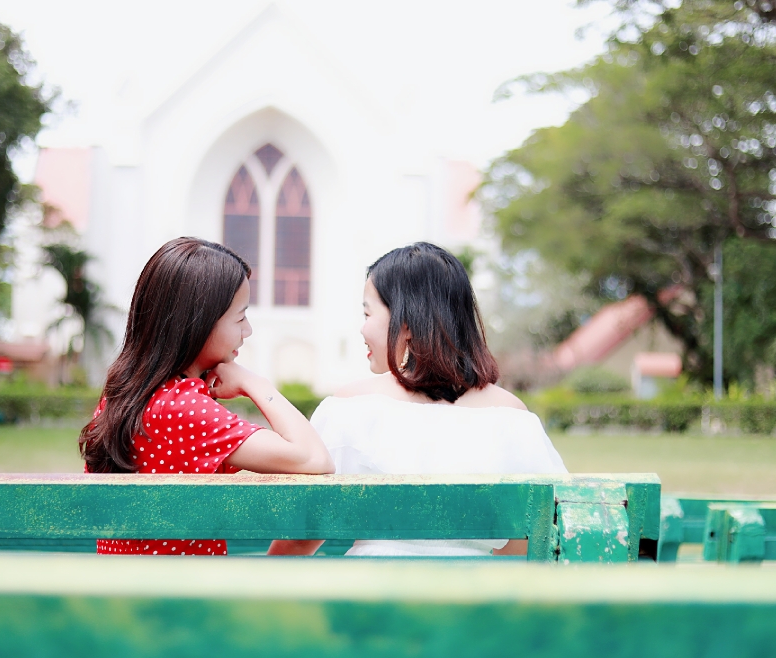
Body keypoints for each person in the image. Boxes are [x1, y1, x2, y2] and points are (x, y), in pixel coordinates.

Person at [269, 242, 566, 557]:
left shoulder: (350, 408)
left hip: (370, 599)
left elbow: (299, 538)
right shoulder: (512, 416)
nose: (362, 327)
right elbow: (536, 536)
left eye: (367, 313)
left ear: (406, 324)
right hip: (475, 598)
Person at [80, 237, 334, 555]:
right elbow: (314, 458)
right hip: (186, 599)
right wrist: (254, 384)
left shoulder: (125, 393)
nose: (248, 330)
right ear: (198, 324)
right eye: (240, 317)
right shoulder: (181, 407)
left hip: (126, 594)